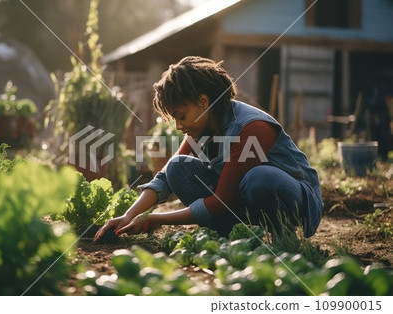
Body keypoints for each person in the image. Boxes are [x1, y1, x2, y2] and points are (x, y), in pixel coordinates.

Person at [94, 56, 323, 242]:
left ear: (203, 102)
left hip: (297, 200)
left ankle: (284, 237)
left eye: (182, 116)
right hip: (246, 198)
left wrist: (156, 218)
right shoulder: (203, 127)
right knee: (176, 168)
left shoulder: (252, 127)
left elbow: (222, 200)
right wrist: (129, 214)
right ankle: (229, 234)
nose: (179, 126)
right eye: (175, 119)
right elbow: (164, 178)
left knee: (258, 178)